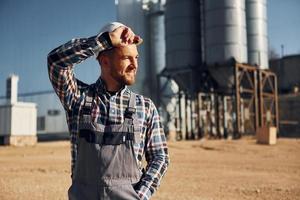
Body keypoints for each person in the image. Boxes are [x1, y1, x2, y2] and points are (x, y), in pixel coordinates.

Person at [47, 22, 170, 200]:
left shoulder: (145, 107)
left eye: (136, 57)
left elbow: (160, 157)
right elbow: (56, 62)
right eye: (127, 58)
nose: (134, 65)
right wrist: (105, 41)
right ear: (105, 60)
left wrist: (140, 195)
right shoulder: (78, 99)